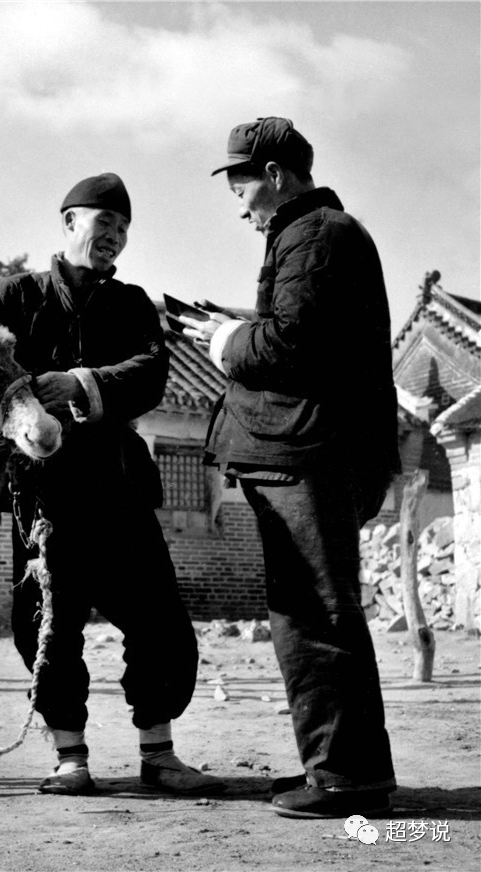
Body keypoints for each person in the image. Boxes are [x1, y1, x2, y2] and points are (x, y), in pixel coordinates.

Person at [0, 173, 224, 797]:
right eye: (104, 224)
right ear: (70, 223)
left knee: (161, 622)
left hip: (121, 486)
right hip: (41, 497)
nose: (114, 238)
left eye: (123, 229)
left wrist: (81, 383)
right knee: (46, 623)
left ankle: (160, 754)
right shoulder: (13, 298)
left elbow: (151, 371)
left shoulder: (130, 305)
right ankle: (70, 758)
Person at [175, 117, 399, 819]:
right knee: (311, 612)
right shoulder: (313, 234)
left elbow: (289, 347)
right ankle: (339, 770)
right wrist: (237, 328)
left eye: (240, 182)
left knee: (316, 615)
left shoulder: (317, 236)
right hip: (310, 453)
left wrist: (224, 337)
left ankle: (345, 780)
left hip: (311, 454)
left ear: (274, 175)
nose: (238, 200)